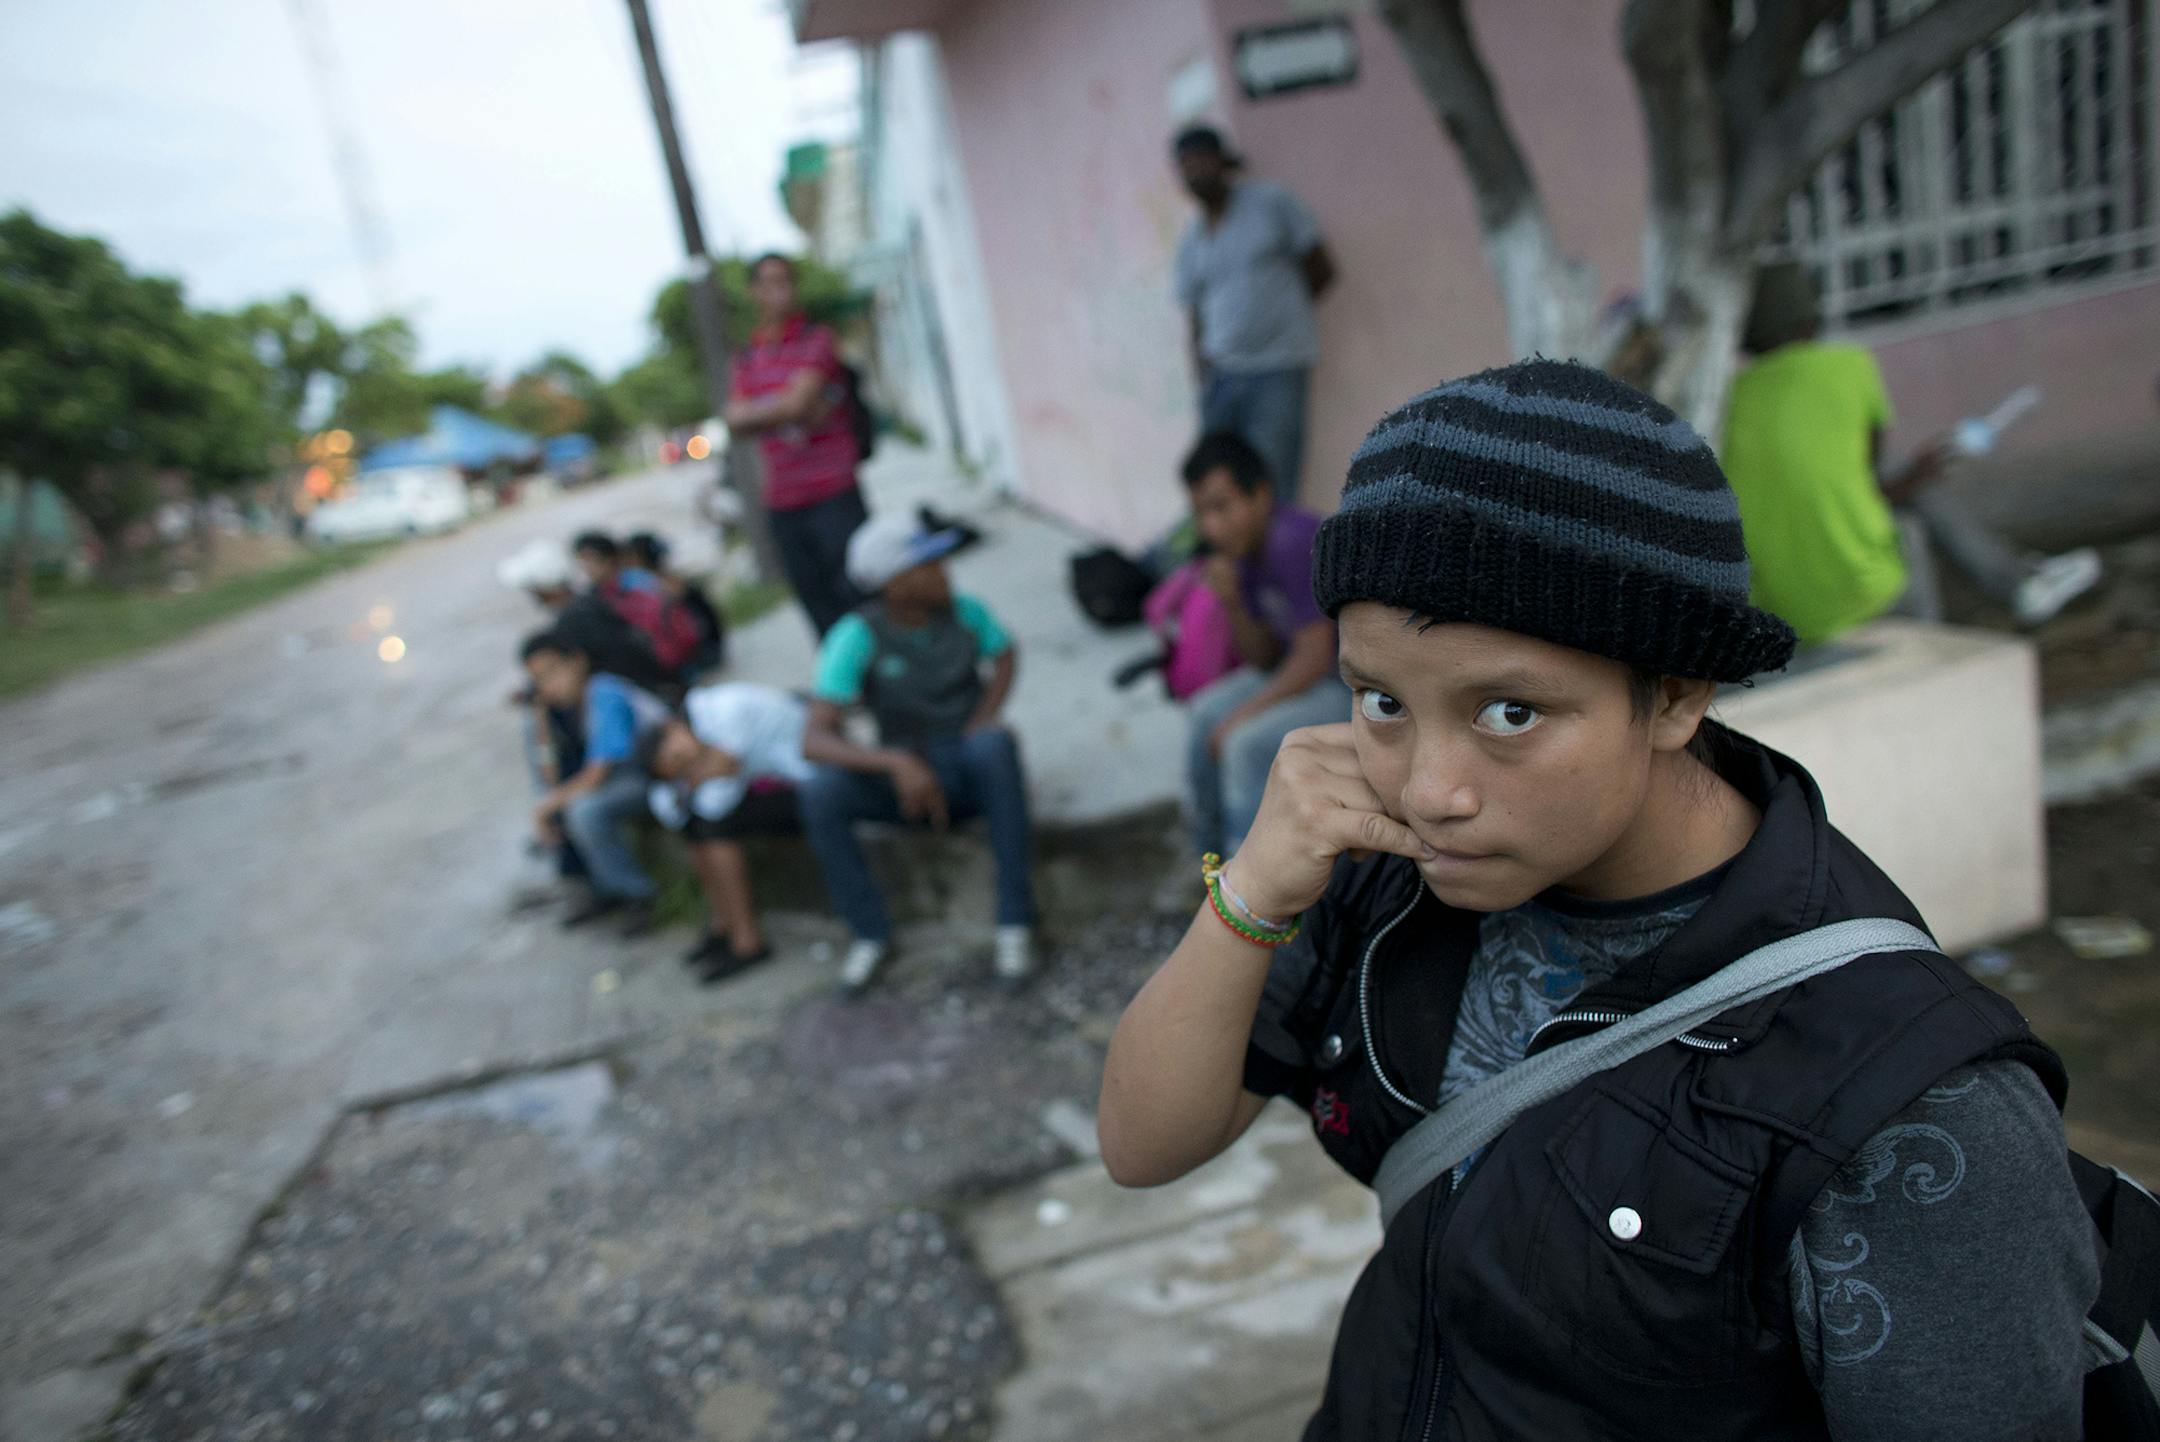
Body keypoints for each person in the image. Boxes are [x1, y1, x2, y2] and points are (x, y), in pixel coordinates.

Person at [1098, 361, 2096, 1440]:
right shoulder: (1378, 870)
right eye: (1381, 699)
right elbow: (1145, 1144)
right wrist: (1250, 889)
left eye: (1511, 712)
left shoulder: (1907, 1102)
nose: (1430, 788)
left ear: (1672, 692)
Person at [1722, 261, 2101, 644]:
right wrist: (1918, 475)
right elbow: (1871, 481)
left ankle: (2019, 583)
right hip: (1860, 587)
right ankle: (2016, 588)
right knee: (1911, 506)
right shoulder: (1848, 365)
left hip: (1778, 605)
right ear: (1811, 318)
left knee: (1901, 483)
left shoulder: (1730, 401)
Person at [798, 514, 1039, 994]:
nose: (944, 571)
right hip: (906, 772)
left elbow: (1006, 653)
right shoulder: (856, 635)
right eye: (929, 564)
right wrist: (895, 762)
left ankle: (1016, 922)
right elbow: (814, 739)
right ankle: (869, 932)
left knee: (995, 745)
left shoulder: (967, 612)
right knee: (820, 792)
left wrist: (983, 717)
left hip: (968, 766)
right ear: (896, 584)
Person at [1177, 432, 1346, 859]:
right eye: (1201, 513)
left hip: (1350, 686)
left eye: (1221, 506)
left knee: (1244, 743)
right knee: (1203, 713)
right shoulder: (1244, 552)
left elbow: (1314, 657)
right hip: (1305, 673)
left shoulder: (1290, 541)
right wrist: (1232, 602)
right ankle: (1209, 863)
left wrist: (1242, 715)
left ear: (1261, 494)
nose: (1210, 526)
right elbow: (1265, 656)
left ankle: (1250, 887)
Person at [1172, 124, 1336, 503]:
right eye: (1185, 165)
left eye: (1200, 159)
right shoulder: (1193, 237)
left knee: (1272, 484)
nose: (1194, 171)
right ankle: (1227, 562)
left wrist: (1277, 314)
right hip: (1222, 376)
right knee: (1214, 480)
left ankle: (1273, 560)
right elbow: (1195, 315)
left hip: (1278, 368)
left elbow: (1322, 268)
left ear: (1221, 161)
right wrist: (1201, 372)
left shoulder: (1270, 204)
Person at [725, 252, 868, 637]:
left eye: (787, 281)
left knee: (857, 593)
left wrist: (766, 408)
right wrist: (783, 407)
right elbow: (735, 419)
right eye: (770, 283)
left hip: (834, 491)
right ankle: (843, 687)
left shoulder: (816, 340)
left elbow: (796, 403)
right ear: (754, 291)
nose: (781, 292)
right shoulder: (748, 356)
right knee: (815, 601)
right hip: (784, 499)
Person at [640, 681, 814, 984]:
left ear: (672, 727)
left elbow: (719, 795)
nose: (687, 768)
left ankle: (747, 940)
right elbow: (678, 806)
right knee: (695, 827)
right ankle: (724, 925)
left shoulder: (724, 711)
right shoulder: (696, 729)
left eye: (679, 760)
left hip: (808, 779)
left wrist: (691, 781)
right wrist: (697, 776)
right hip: (773, 782)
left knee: (714, 826)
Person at [522, 629, 672, 934]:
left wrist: (545, 809)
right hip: (623, 781)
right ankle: (600, 886)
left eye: (552, 672)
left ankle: (638, 894)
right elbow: (549, 778)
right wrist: (539, 718)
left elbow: (598, 774)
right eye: (538, 679)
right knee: (558, 798)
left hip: (658, 775)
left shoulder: (604, 692)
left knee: (584, 810)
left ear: (577, 661)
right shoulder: (564, 710)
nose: (549, 685)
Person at [572, 531, 705, 676]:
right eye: (582, 562)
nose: (586, 568)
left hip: (673, 659)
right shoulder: (597, 595)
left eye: (590, 560)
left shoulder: (638, 581)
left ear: (609, 558)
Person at [626, 531, 727, 676]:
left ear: (638, 558)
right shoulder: (671, 579)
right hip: (712, 648)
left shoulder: (661, 586)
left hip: (705, 655)